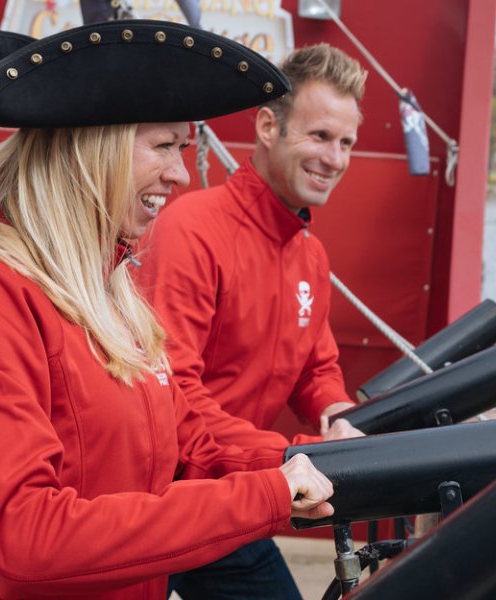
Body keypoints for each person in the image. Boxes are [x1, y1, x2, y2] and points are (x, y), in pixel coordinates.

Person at [0, 21, 335, 599]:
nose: (181, 175)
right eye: (165, 146)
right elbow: (26, 538)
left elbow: (192, 447)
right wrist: (268, 496)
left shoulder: (106, 288)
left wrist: (336, 464)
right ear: (90, 153)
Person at [136, 43, 368, 599]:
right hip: (158, 499)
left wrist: (338, 418)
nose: (333, 158)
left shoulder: (309, 254)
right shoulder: (191, 230)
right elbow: (173, 393)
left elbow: (317, 369)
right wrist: (288, 458)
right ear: (268, 125)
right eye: (318, 136)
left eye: (345, 143)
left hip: (235, 493)